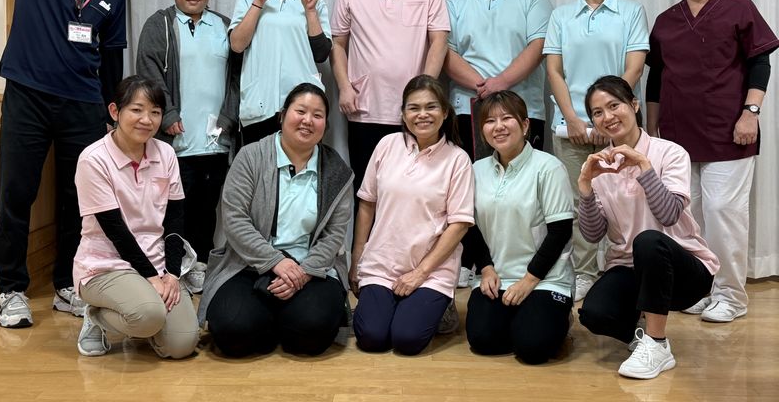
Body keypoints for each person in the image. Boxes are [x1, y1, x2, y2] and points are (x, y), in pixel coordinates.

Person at [0, 0, 132, 328]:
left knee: (78, 199)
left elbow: (111, 60)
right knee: (15, 193)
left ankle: (69, 283)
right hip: (27, 95)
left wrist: (111, 114)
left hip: (83, 106)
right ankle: (10, 289)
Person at [646, 0, 778, 323]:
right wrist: (651, 128)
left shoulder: (738, 8)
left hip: (729, 131)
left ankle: (731, 296)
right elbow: (656, 78)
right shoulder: (666, 20)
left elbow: (760, 63)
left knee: (724, 212)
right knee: (689, 216)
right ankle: (701, 289)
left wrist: (751, 112)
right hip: (676, 134)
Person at [577, 76, 719, 379]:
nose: (607, 117)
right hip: (630, 268)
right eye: (598, 112)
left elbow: (668, 215)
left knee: (648, 241)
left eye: (614, 105)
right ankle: (645, 334)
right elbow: (592, 235)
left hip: (684, 270)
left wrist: (643, 166)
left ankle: (656, 343)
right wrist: (586, 188)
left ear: (634, 104)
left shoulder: (670, 152)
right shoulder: (600, 166)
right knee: (593, 314)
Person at [198, 83, 353, 357]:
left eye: (317, 115)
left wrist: (303, 273)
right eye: (300, 111)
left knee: (313, 334)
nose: (308, 120)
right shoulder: (251, 157)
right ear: (282, 115)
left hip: (311, 269)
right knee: (233, 333)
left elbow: (334, 235)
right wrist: (276, 262)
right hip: (249, 264)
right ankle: (270, 319)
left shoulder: (336, 170)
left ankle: (282, 317)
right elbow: (235, 219)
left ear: (325, 125)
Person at [543, 0, 650, 302]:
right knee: (580, 203)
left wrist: (609, 116)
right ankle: (585, 273)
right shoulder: (560, 16)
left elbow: (634, 68)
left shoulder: (631, 12)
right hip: (570, 128)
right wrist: (573, 118)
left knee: (628, 199)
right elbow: (554, 71)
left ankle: (627, 269)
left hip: (619, 127)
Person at [73, 76, 199, 358]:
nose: (146, 120)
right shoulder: (93, 159)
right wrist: (151, 277)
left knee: (182, 344)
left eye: (155, 112)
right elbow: (115, 231)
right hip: (106, 265)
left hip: (156, 263)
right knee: (147, 316)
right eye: (137, 110)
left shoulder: (166, 153)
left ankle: (145, 316)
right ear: (115, 111)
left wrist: (172, 275)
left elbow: (175, 220)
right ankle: (96, 316)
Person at [350, 75, 474, 355]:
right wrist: (357, 258)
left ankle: (441, 308)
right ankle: (389, 307)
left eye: (431, 107)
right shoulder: (387, 145)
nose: (422, 115)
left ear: (445, 112)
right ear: (403, 114)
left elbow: (459, 224)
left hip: (431, 271)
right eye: (413, 108)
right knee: (372, 338)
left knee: (406, 340)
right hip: (382, 264)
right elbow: (367, 203)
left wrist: (419, 274)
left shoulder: (458, 159)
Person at [137, 0, 240, 293]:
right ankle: (172, 268)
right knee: (173, 209)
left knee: (207, 207)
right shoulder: (160, 25)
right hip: (175, 141)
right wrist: (166, 114)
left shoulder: (226, 26)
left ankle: (200, 265)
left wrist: (228, 118)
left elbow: (237, 78)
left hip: (215, 140)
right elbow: (149, 72)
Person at [330, 0, 450, 204]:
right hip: (364, 108)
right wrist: (344, 87)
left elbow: (439, 41)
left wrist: (425, 92)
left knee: (416, 191)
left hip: (416, 112)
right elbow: (337, 44)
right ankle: (366, 237)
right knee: (367, 190)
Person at [464, 91, 574, 365]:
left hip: (544, 278)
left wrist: (529, 281)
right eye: (490, 121)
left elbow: (560, 232)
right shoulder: (476, 170)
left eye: (507, 118)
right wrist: (486, 268)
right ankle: (524, 319)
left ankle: (557, 316)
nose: (498, 126)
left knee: (533, 349)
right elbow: (469, 226)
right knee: (483, 341)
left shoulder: (548, 167)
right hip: (496, 278)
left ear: (525, 125)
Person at [444, 0, 552, 157]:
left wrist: (502, 81)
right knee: (471, 177)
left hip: (523, 108)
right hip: (468, 109)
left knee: (525, 177)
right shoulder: (454, 4)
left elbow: (539, 46)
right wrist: (485, 87)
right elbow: (446, 53)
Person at [229, 0, 331, 148]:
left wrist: (310, 11)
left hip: (302, 108)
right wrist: (259, 1)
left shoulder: (314, 1)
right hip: (260, 105)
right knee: (259, 167)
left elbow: (321, 54)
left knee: (300, 167)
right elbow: (237, 45)